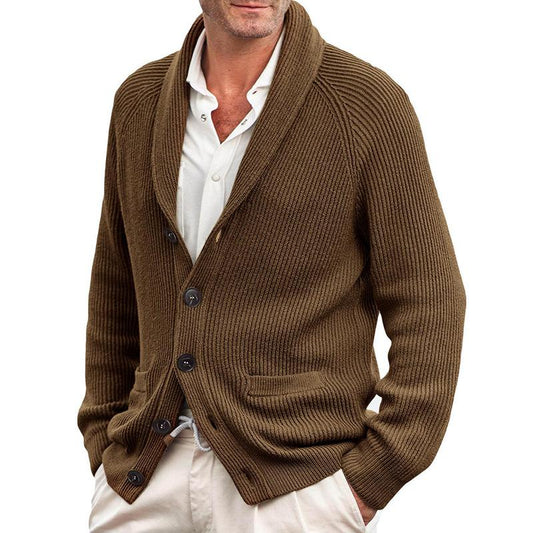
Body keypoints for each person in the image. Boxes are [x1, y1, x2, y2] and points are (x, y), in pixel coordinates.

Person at [77, 1, 467, 531]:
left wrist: (374, 476)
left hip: (298, 485)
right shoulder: (139, 102)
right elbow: (114, 286)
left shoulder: (366, 105)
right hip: (142, 477)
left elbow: (430, 299)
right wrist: (102, 440)